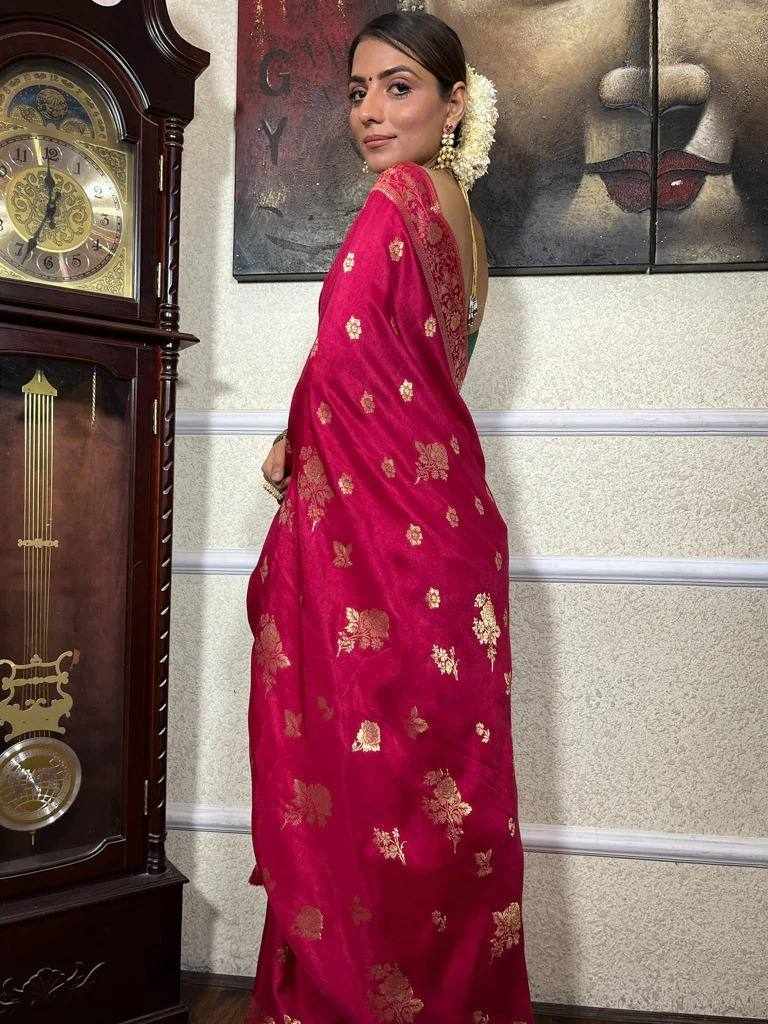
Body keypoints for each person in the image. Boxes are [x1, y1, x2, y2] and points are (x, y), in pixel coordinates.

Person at [246, 11, 534, 1022]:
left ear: (455, 104)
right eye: (357, 91)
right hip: (448, 539)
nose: (371, 111)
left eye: (398, 87)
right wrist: (300, 430)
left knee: (368, 794)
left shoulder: (399, 198)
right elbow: (380, 365)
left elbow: (344, 354)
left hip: (383, 549)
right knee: (435, 801)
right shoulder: (464, 220)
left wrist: (297, 435)